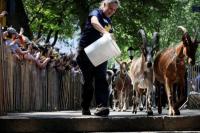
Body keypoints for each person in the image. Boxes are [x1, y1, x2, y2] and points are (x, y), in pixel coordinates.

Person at [76, 0, 120, 116]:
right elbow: (94, 22)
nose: (112, 11)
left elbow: (110, 36)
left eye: (114, 10)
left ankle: (102, 107)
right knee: (88, 82)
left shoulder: (109, 21)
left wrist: (113, 42)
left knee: (102, 79)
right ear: (104, 5)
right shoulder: (96, 13)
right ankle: (85, 106)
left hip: (100, 53)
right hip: (86, 53)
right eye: (110, 8)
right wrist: (105, 32)